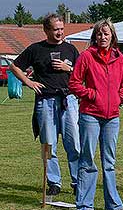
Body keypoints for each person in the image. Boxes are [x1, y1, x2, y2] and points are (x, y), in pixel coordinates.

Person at [10, 13, 80, 196]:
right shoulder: (36, 49)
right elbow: (14, 66)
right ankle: (54, 183)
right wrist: (28, 82)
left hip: (68, 100)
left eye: (62, 29)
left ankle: (77, 182)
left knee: (74, 144)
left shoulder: (71, 50)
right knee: (48, 144)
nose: (59, 33)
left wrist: (69, 68)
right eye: (56, 29)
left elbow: (81, 73)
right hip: (45, 101)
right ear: (46, 30)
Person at [69, 18, 123, 210]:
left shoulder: (119, 58)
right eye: (99, 34)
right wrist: (93, 95)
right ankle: (85, 204)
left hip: (112, 116)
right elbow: (74, 83)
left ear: (112, 36)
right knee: (87, 159)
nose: (102, 37)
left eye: (106, 33)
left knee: (109, 161)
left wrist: (118, 98)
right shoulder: (86, 57)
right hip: (90, 114)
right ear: (94, 36)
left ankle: (113, 203)